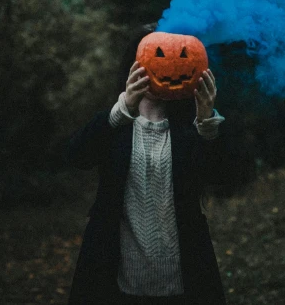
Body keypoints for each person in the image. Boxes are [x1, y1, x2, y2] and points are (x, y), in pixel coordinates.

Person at [64, 24, 233, 304]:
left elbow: (221, 174)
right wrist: (123, 109)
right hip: (117, 273)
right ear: (135, 66)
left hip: (183, 276)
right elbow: (77, 156)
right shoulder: (114, 123)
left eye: (177, 55)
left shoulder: (191, 128)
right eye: (156, 54)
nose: (167, 63)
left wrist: (206, 121)